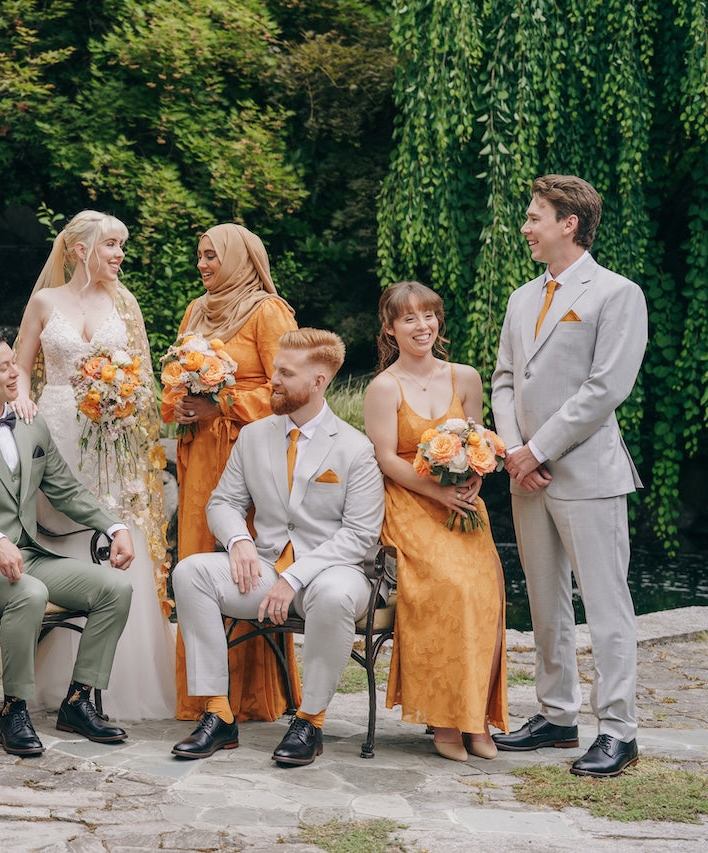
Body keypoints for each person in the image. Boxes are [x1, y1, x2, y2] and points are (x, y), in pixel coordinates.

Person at [491, 175, 648, 777]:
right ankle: (557, 716)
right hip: (527, 476)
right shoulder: (520, 298)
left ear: (569, 223)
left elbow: (605, 388)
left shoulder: (617, 294)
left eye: (534, 217)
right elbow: (504, 379)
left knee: (607, 605)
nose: (526, 227)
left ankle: (618, 729)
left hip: (588, 473)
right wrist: (513, 451)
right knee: (546, 601)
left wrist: (540, 448)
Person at [170, 329, 383, 766]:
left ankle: (311, 722)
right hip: (264, 568)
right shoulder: (254, 436)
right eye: (275, 371)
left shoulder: (356, 449)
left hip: (334, 571)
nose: (274, 381)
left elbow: (359, 536)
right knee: (190, 573)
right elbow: (224, 502)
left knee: (335, 594)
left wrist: (295, 576)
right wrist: (239, 540)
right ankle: (218, 714)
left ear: (319, 381)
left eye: (286, 373)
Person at [0, 326, 136, 756]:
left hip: (29, 555)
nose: (16, 372)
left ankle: (77, 702)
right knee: (30, 592)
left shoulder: (31, 428)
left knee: (115, 588)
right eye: (4, 366)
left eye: (13, 361)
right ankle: (13, 709)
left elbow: (66, 491)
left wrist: (114, 527)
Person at [11, 209, 174, 720]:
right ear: (80, 250)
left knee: (111, 530)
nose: (119, 255)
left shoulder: (125, 303)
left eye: (122, 245)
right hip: (56, 425)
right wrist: (22, 403)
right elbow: (18, 366)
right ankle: (56, 672)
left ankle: (119, 680)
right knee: (65, 533)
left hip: (110, 438)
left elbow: (144, 376)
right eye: (111, 245)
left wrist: (124, 405)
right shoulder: (44, 302)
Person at [362, 281, 508, 762]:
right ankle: (445, 721)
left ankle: (478, 720)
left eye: (428, 315)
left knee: (485, 588)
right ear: (391, 328)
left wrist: (472, 484)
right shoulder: (384, 387)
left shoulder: (464, 377)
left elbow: (479, 443)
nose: (422, 326)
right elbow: (386, 457)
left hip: (462, 504)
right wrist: (437, 491)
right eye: (409, 319)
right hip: (410, 502)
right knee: (446, 585)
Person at [160, 223, 300, 722]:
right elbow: (177, 376)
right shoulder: (197, 309)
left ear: (240, 258)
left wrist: (224, 403)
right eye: (199, 256)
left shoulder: (268, 311)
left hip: (252, 456)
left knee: (242, 568)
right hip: (200, 458)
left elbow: (289, 392)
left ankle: (246, 697)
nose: (202, 265)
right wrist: (177, 404)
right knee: (198, 559)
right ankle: (204, 698)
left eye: (212, 257)